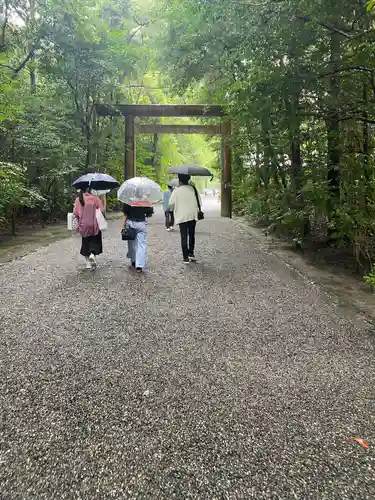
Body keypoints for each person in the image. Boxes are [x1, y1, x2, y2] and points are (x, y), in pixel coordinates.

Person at [168, 174, 201, 264]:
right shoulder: (193, 189)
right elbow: (200, 202)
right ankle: (191, 253)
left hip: (181, 216)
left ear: (179, 180)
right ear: (189, 179)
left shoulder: (176, 191)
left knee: (184, 236)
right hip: (192, 215)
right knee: (191, 235)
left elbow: (170, 204)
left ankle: (185, 257)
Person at [73, 187, 104, 269]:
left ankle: (88, 263)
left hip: (83, 225)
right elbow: (101, 210)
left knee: (85, 242)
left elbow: (75, 213)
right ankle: (92, 254)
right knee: (95, 241)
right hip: (94, 225)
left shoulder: (77, 200)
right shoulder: (95, 198)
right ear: (90, 190)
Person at [121, 203, 154, 272]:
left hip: (130, 223)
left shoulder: (128, 200)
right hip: (141, 223)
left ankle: (133, 260)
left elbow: (125, 214)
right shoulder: (145, 200)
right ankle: (139, 265)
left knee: (131, 244)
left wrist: (123, 226)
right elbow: (149, 214)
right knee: (141, 245)